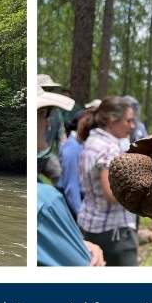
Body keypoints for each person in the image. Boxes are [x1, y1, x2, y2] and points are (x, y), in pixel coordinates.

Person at [37, 84, 104, 267]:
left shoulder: (76, 147)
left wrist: (78, 242)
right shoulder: (47, 203)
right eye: (45, 114)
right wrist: (77, 228)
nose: (49, 122)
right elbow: (71, 188)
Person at [77, 96, 139, 266]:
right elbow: (111, 194)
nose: (132, 126)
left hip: (88, 225)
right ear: (112, 120)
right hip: (114, 234)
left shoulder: (91, 141)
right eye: (129, 121)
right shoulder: (110, 149)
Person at [57, 110, 86, 215]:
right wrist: (80, 214)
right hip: (71, 203)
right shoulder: (72, 147)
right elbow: (71, 185)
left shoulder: (81, 145)